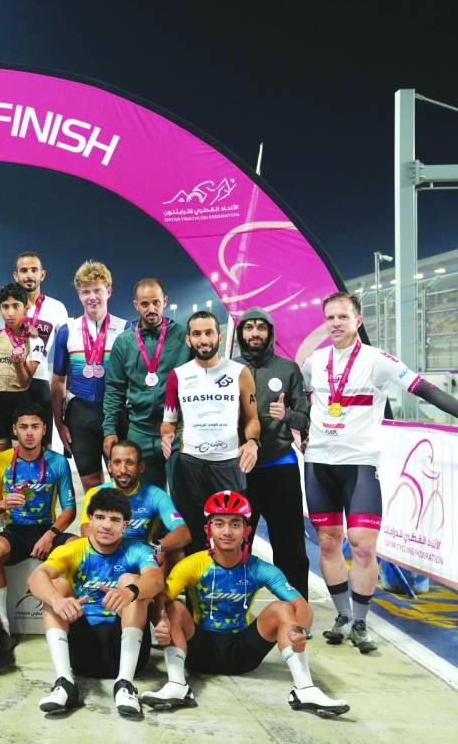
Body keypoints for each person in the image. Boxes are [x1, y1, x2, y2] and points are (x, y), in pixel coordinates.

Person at [302, 292, 458, 653]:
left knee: (362, 546)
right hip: (319, 463)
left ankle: (360, 621)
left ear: (358, 321)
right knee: (327, 542)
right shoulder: (314, 362)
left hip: (360, 464)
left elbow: (427, 390)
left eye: (343, 317)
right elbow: (300, 402)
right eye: (330, 318)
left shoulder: (379, 361)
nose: (336, 323)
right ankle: (342, 617)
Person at [142, 491, 349, 718]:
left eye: (235, 524)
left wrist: (299, 630)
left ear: (247, 531)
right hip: (200, 652)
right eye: (219, 524)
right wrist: (160, 621)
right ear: (208, 530)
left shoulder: (260, 568)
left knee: (282, 609)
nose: (227, 531)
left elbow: (300, 604)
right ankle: (177, 685)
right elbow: (161, 598)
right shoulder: (193, 564)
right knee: (174, 608)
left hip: (242, 654)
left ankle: (305, 690)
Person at [28, 489, 164, 717]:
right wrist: (57, 601)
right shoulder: (73, 549)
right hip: (83, 650)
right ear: (90, 519)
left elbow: (156, 579)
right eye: (100, 517)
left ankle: (125, 684)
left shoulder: (137, 549)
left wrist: (130, 592)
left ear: (126, 524)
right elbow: (35, 577)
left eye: (115, 520)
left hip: (123, 647)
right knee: (56, 588)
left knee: (131, 581)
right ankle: (65, 683)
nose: (106, 526)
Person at [161, 311, 260, 551]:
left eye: (208, 333)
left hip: (227, 465)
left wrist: (253, 442)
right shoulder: (178, 376)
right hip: (189, 465)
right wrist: (166, 435)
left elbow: (253, 418)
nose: (203, 339)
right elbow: (169, 421)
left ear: (219, 335)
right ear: (188, 339)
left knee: (230, 536)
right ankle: (195, 587)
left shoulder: (240, 372)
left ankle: (230, 586)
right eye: (197, 334)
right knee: (194, 535)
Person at [0, 404, 76, 655]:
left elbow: (69, 510)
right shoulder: (1, 461)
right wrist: (3, 503)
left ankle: (77, 621)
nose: (29, 433)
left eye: (35, 427)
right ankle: (2, 627)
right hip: (15, 530)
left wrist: (50, 536)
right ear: (14, 430)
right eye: (23, 427)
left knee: (77, 548)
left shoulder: (57, 462)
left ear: (45, 429)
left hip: (48, 529)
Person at [233, 308, 311, 598]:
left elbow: (305, 419)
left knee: (289, 545)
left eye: (261, 328)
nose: (255, 333)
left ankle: (296, 608)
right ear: (241, 333)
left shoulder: (288, 369)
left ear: (270, 333)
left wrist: (287, 414)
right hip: (241, 469)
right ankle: (235, 604)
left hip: (281, 467)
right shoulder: (229, 368)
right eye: (249, 328)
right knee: (238, 542)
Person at [0, 244, 69, 445]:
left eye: (33, 270)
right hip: (7, 386)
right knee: (5, 453)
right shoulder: (2, 300)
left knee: (41, 452)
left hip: (38, 385)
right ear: (15, 275)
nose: (29, 275)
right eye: (23, 270)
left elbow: (66, 351)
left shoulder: (57, 308)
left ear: (43, 275)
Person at [103, 278, 190, 490]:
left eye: (156, 302)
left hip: (177, 432)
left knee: (183, 498)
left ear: (165, 301)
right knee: (143, 500)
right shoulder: (124, 341)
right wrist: (109, 430)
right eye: (144, 304)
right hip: (139, 432)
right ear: (136, 305)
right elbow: (114, 389)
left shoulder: (183, 336)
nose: (151, 309)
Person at [51, 261, 129, 492]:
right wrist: (59, 424)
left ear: (109, 291)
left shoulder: (126, 328)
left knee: (123, 484)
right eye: (86, 291)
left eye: (98, 290)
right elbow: (57, 384)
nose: (92, 296)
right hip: (80, 416)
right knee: (91, 488)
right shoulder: (67, 330)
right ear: (79, 295)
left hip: (115, 415)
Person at [78, 440, 191, 568]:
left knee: (176, 552)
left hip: (142, 558)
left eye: (130, 463)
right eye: (117, 462)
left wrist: (155, 547)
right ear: (109, 466)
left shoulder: (155, 495)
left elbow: (183, 534)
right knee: (73, 544)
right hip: (106, 556)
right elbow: (86, 533)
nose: (123, 469)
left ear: (140, 466)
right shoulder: (95, 493)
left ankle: (158, 587)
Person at [0, 282, 46, 456]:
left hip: (21, 406)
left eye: (15, 306)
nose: (10, 312)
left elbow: (25, 381)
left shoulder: (35, 341)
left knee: (20, 466)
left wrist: (18, 364)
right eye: (5, 307)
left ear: (26, 307)